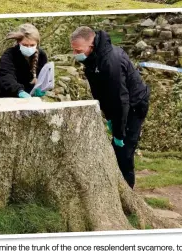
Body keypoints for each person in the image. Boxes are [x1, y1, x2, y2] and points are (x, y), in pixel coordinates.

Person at [70, 26, 150, 189]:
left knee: (124, 151)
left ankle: (128, 193)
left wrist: (119, 132)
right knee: (115, 150)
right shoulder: (92, 58)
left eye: (78, 50)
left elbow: (121, 100)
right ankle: (115, 188)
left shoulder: (110, 61)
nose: (75, 54)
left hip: (134, 106)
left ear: (90, 44)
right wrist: (109, 117)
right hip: (119, 106)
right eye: (73, 50)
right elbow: (103, 94)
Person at [0, 23, 48, 99]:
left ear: (37, 44)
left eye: (32, 45)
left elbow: (42, 76)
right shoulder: (9, 55)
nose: (29, 47)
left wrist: (40, 88)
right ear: (18, 43)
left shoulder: (42, 56)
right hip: (4, 94)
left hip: (28, 96)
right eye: (25, 45)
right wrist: (19, 91)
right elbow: (6, 76)